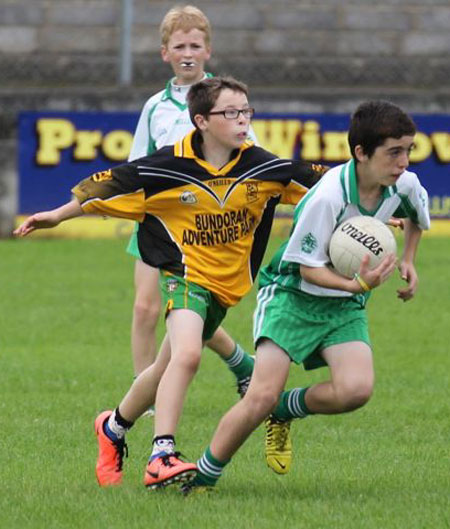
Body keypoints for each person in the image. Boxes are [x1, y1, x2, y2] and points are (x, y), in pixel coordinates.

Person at [14, 76, 327, 490]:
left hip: (225, 287)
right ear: (201, 121)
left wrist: (371, 211)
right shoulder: (165, 168)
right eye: (230, 112)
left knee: (164, 368)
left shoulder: (263, 167)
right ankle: (162, 453)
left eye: (246, 111)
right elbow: (110, 183)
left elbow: (329, 186)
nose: (242, 120)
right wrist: (57, 214)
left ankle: (112, 426)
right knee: (187, 358)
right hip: (184, 277)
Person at [184, 100, 430, 493]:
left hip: (342, 305)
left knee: (355, 391)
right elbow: (305, 268)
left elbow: (416, 215)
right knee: (259, 395)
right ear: (361, 153)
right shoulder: (327, 196)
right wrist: (357, 285)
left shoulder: (403, 184)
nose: (403, 162)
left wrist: (410, 261)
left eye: (408, 151)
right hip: (291, 298)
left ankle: (285, 409)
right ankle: (200, 478)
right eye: (394, 152)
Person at [127, 5, 257, 399]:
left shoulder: (226, 100)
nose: (187, 52)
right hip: (159, 219)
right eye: (178, 45)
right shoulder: (156, 106)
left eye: (195, 45)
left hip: (205, 225)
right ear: (164, 53)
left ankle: (239, 362)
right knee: (147, 309)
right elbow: (137, 163)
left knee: (189, 308)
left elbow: (252, 154)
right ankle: (144, 398)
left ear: (208, 51)